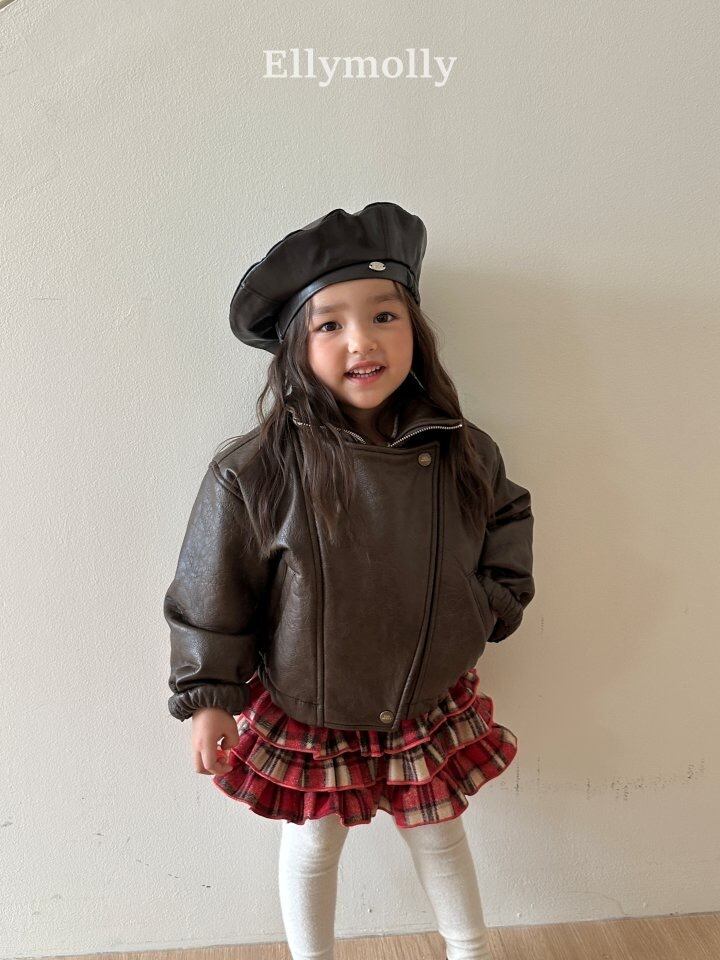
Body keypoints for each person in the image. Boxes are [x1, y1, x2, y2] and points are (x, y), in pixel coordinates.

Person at [163, 202, 536, 960]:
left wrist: (483, 609)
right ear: (296, 348)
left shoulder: (465, 450)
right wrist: (208, 697)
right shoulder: (255, 470)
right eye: (329, 324)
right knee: (314, 843)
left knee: (439, 833)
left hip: (426, 695)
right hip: (311, 702)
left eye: (384, 316)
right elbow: (213, 592)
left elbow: (508, 522)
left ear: (415, 330)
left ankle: (470, 949)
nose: (362, 341)